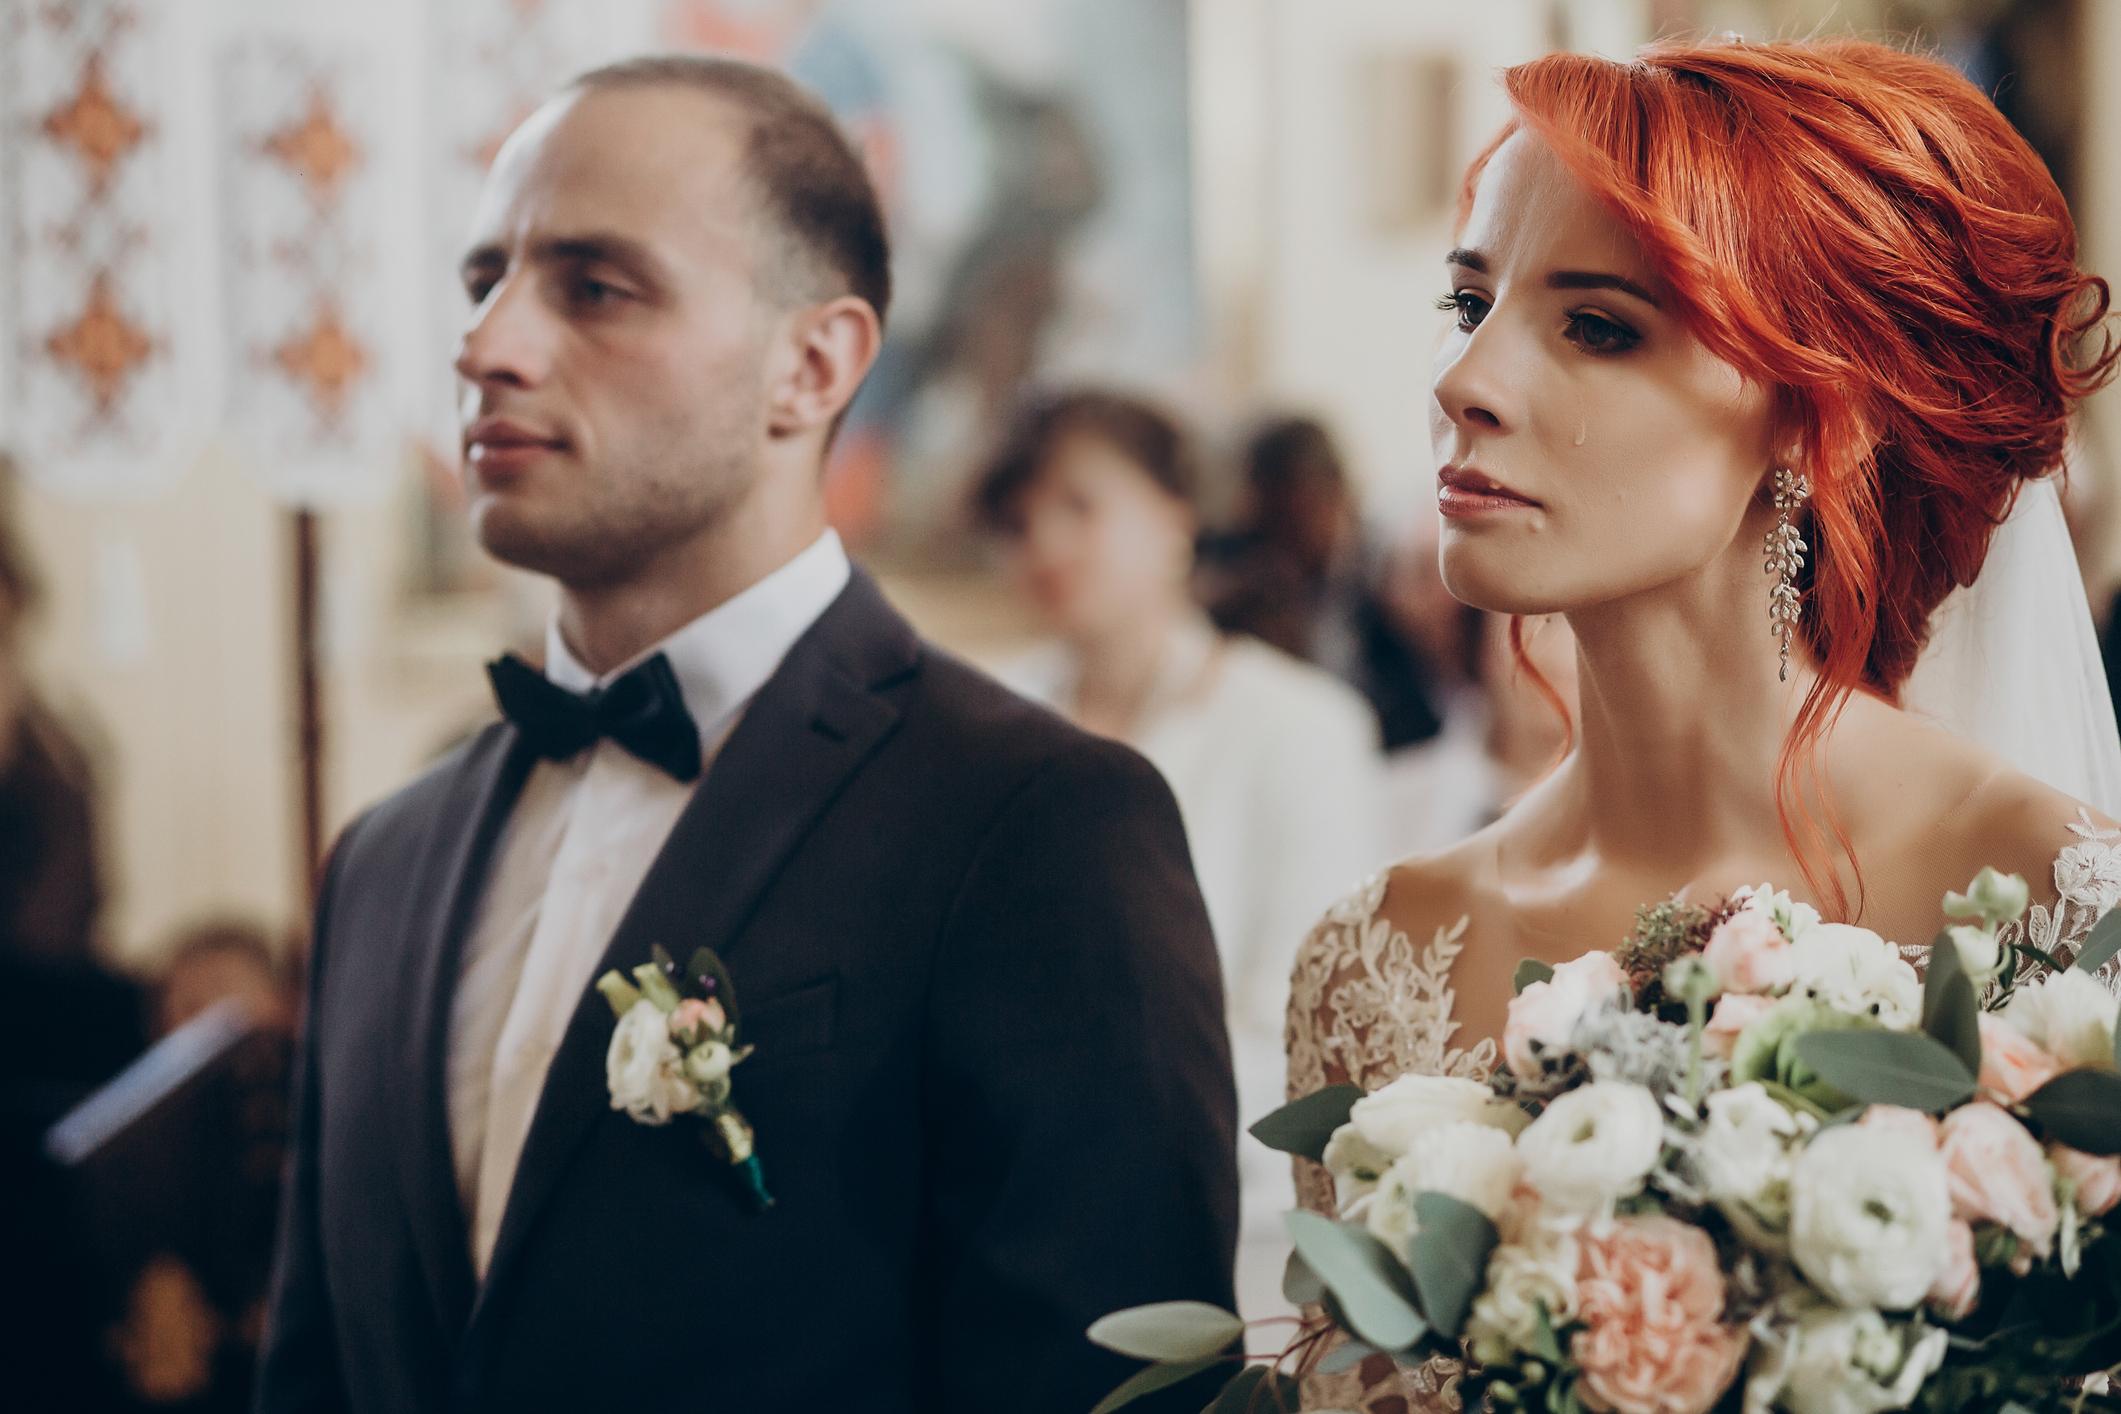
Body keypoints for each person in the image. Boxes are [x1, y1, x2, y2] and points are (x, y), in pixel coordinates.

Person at [256, 57, 1237, 1414]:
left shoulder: (1032, 823)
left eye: (593, 286)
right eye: (485, 279)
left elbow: (1105, 1386)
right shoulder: (382, 859)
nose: (488, 346)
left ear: (811, 362)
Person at [1283, 37, 2121, 1411]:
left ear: (1810, 421)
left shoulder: (2058, 906)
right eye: (1469, 300)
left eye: (1596, 325)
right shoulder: (1379, 958)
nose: (1462, 383)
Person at [970, 388, 1383, 1335]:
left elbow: (1304, 1024)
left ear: (1173, 518)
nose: (1046, 542)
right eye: (1020, 516)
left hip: (1232, 1238)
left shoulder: (1299, 728)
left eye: (1079, 505)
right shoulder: (987, 720)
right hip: (1001, 1219)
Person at [1203, 416, 1448, 751]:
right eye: (1270, 523)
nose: (1285, 542)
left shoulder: (1392, 576)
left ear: (1337, 495)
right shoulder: (1240, 582)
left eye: (1295, 516)